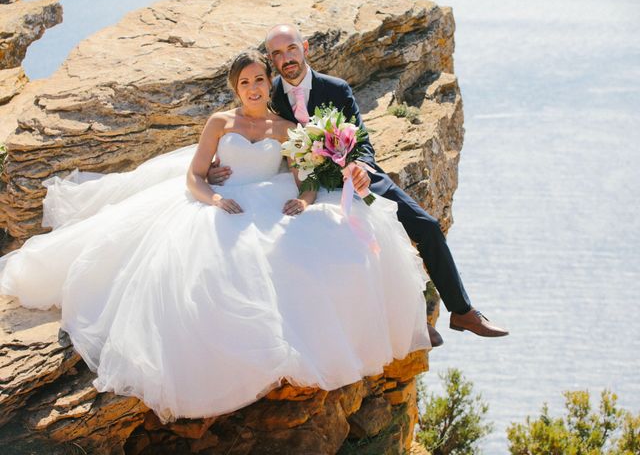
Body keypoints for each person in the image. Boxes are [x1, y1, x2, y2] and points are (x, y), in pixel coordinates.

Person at [0, 51, 431, 423]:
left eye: (260, 79)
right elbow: (193, 176)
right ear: (236, 88)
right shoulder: (220, 122)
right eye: (244, 82)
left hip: (270, 201)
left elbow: (305, 178)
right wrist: (212, 199)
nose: (253, 87)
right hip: (221, 202)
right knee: (207, 269)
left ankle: (290, 349)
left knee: (313, 250)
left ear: (269, 81)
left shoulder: (285, 129)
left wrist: (303, 199)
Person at [208, 25, 509, 345]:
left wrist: (360, 166)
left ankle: (462, 311)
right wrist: (223, 164)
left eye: (292, 49)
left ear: (305, 48)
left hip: (354, 176)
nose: (287, 59)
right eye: (278, 54)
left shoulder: (335, 88)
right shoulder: (270, 93)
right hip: (307, 184)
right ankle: (409, 321)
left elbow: (361, 140)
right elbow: (252, 127)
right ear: (271, 60)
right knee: (345, 248)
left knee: (425, 225)